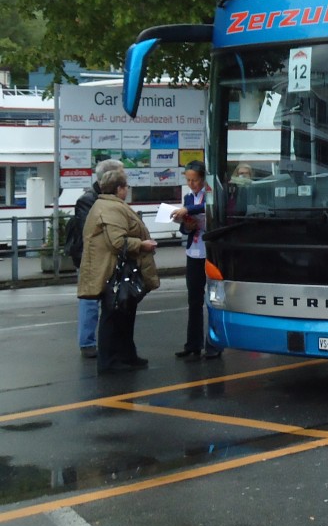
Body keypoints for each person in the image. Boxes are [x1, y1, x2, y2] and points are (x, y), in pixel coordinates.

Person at [78, 165, 160, 374]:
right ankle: (110, 361)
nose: (127, 190)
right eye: (126, 186)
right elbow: (117, 242)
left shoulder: (108, 205)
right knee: (113, 316)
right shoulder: (110, 207)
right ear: (119, 188)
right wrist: (143, 244)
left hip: (117, 270)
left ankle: (126, 355)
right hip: (113, 272)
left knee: (124, 314)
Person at [73, 157, 124, 359]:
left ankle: (105, 341)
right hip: (91, 258)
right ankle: (87, 343)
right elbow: (92, 231)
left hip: (107, 255)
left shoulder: (106, 196)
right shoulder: (88, 199)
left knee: (110, 299)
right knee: (90, 299)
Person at [172, 161, 221, 360]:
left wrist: (188, 211)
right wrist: (188, 225)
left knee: (213, 300)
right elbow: (185, 227)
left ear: (203, 179)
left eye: (195, 180)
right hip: (194, 252)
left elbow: (207, 207)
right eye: (188, 180)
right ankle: (193, 344)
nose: (192, 184)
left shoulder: (209, 194)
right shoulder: (188, 197)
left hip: (209, 252)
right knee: (194, 300)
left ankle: (214, 343)